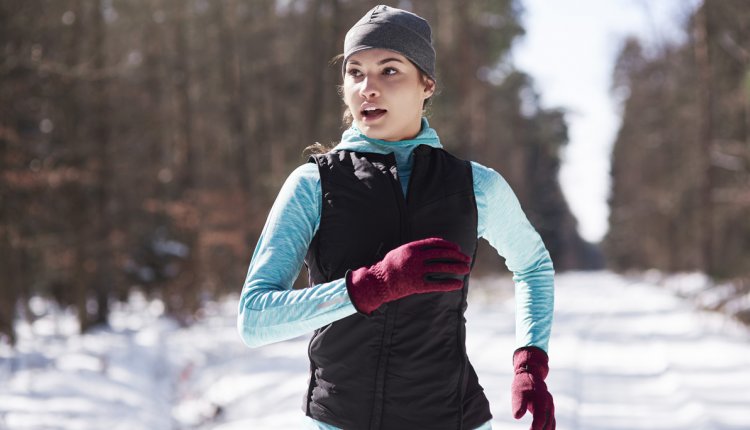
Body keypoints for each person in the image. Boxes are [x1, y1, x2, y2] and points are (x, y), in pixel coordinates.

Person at [238, 5, 555, 430]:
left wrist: (530, 360)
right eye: (355, 72)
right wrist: (370, 286)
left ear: (427, 84)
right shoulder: (315, 184)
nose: (368, 87)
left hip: (453, 418)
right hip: (340, 420)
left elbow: (533, 266)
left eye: (389, 71)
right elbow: (255, 318)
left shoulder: (474, 185)